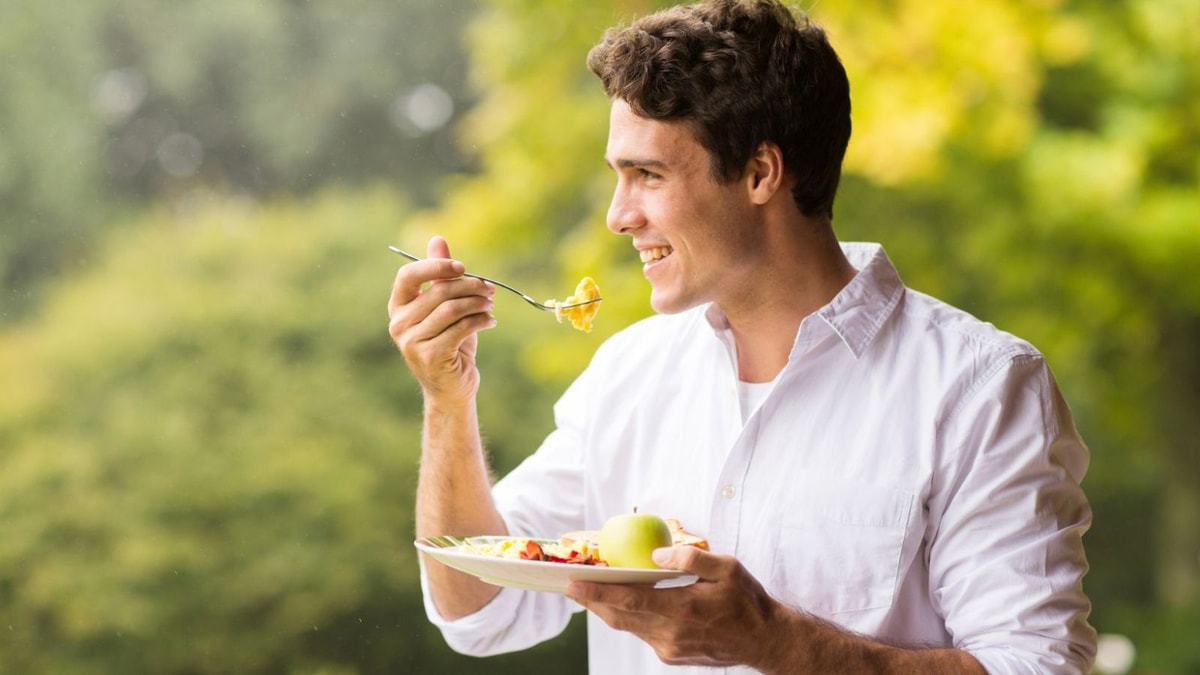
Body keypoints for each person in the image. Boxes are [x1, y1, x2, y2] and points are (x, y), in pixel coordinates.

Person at [386, 0, 1097, 672]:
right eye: (617, 175)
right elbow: (477, 609)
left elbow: (1035, 663)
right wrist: (449, 399)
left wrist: (778, 642)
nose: (617, 216)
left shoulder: (980, 387)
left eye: (647, 174)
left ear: (761, 172)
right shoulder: (626, 375)